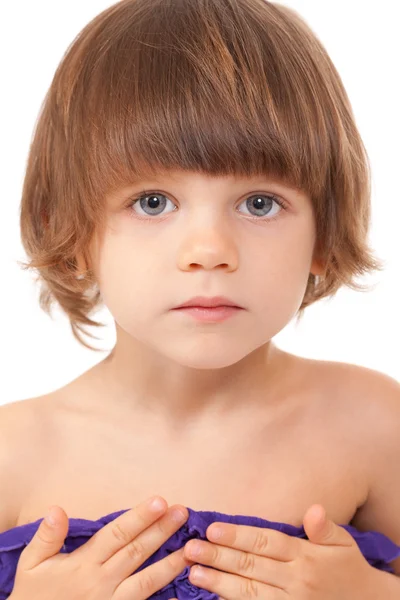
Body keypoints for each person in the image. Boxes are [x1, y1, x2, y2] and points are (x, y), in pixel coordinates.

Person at [1, 0, 399, 598]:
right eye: (152, 202)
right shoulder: (16, 453)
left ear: (325, 232)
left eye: (259, 203)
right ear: (71, 232)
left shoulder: (371, 423)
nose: (210, 250)